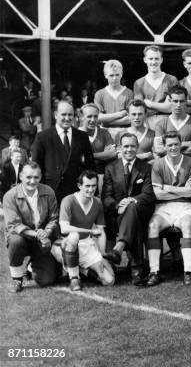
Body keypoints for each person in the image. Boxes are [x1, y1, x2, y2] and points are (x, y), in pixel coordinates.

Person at [102, 132, 155, 286]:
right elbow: (106, 197)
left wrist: (132, 200)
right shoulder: (111, 168)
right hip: (117, 212)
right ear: (119, 147)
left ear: (138, 147)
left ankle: (120, 246)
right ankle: (136, 270)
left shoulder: (146, 167)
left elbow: (148, 194)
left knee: (133, 210)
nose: (129, 149)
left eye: (133, 146)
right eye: (126, 146)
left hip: (142, 210)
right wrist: (119, 205)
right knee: (132, 219)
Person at [146, 132, 191, 286]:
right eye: (170, 145)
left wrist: (168, 188)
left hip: (185, 206)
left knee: (187, 225)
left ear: (181, 143)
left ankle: (188, 271)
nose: (173, 147)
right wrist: (182, 190)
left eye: (176, 144)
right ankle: (154, 271)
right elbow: (158, 194)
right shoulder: (158, 164)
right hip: (163, 207)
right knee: (152, 226)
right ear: (164, 146)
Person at [3, 161, 59, 293]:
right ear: (21, 176)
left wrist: (47, 231)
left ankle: (30, 266)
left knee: (47, 280)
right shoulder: (10, 196)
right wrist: (37, 234)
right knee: (16, 241)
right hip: (21, 236)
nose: (32, 181)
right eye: (28, 177)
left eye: (36, 177)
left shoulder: (49, 192)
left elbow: (53, 218)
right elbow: (14, 225)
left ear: (40, 177)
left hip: (41, 239)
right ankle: (17, 278)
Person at [58, 170, 115, 291]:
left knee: (109, 280)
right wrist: (89, 231)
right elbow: (64, 228)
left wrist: (102, 254)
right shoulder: (68, 200)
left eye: (94, 185)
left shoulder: (98, 202)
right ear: (79, 186)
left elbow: (101, 231)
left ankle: (82, 270)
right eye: (87, 186)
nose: (91, 189)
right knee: (73, 236)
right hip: (68, 243)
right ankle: (74, 277)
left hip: (87, 245)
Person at [31, 101, 95, 202]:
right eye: (63, 114)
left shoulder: (82, 136)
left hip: (76, 194)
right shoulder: (43, 137)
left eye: (70, 114)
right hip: (51, 193)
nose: (67, 118)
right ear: (56, 115)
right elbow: (35, 167)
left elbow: (90, 166)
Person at [133, 45, 178, 129]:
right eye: (150, 59)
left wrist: (149, 104)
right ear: (145, 60)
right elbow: (140, 110)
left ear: (161, 60)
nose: (153, 62)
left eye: (156, 58)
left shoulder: (171, 80)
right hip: (146, 124)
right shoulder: (138, 83)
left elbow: (170, 107)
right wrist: (163, 106)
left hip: (167, 123)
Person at [153, 85, 191, 159]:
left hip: (188, 165)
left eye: (181, 101)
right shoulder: (161, 124)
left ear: (186, 101)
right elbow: (158, 150)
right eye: (175, 101)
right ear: (170, 101)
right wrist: (186, 144)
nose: (178, 105)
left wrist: (169, 148)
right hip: (167, 165)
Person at [79, 104, 116, 187]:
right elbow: (79, 159)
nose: (93, 120)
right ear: (82, 117)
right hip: (83, 177)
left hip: (103, 174)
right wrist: (103, 154)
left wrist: (89, 155)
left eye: (95, 116)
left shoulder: (104, 132)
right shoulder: (76, 135)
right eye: (89, 116)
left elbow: (112, 154)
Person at [94, 59, 133, 137]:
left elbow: (130, 118)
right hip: (105, 134)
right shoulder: (100, 94)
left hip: (125, 133)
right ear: (105, 75)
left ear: (121, 74)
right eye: (111, 75)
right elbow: (98, 118)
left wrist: (106, 121)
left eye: (117, 75)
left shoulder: (129, 93)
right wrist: (119, 114)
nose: (114, 78)